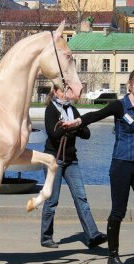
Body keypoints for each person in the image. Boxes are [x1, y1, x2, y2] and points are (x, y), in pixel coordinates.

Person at [62, 68, 134, 264]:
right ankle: (113, 256)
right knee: (118, 211)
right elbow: (96, 114)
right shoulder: (119, 106)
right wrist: (78, 121)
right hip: (121, 164)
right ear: (129, 85)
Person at [40, 86, 107, 249]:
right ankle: (46, 237)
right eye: (62, 91)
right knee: (52, 200)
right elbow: (53, 135)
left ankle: (92, 235)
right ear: (55, 92)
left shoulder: (73, 110)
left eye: (67, 91)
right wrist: (70, 128)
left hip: (71, 161)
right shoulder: (51, 110)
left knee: (81, 197)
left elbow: (87, 134)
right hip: (53, 160)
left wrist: (73, 126)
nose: (65, 94)